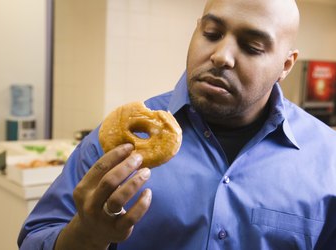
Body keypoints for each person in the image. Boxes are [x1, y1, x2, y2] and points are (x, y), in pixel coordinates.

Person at [18, 0, 336, 249]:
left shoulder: (326, 159)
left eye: (252, 46)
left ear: (286, 65)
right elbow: (36, 238)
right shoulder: (112, 145)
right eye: (211, 33)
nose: (222, 56)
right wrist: (86, 236)